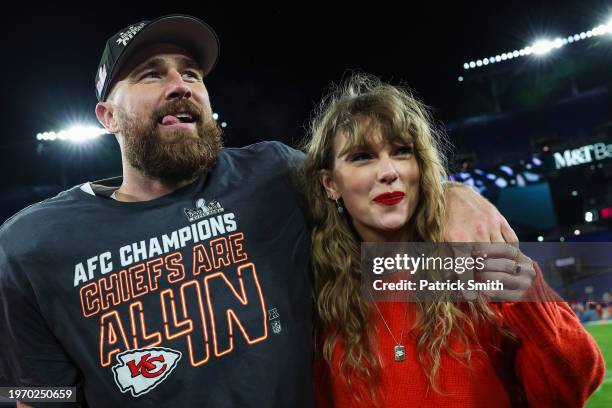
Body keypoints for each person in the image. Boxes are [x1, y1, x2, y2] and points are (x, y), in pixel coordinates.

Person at [0, 14, 520, 408]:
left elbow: (379, 218)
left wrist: (451, 193)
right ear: (106, 115)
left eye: (191, 73)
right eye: (150, 74)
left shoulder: (274, 174)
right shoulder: (32, 244)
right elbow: (41, 396)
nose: (181, 83)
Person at [303, 73, 605, 407]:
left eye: (402, 151)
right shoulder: (316, 302)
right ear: (330, 184)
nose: (388, 172)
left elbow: (571, 386)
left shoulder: (477, 261)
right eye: (362, 156)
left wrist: (516, 281)